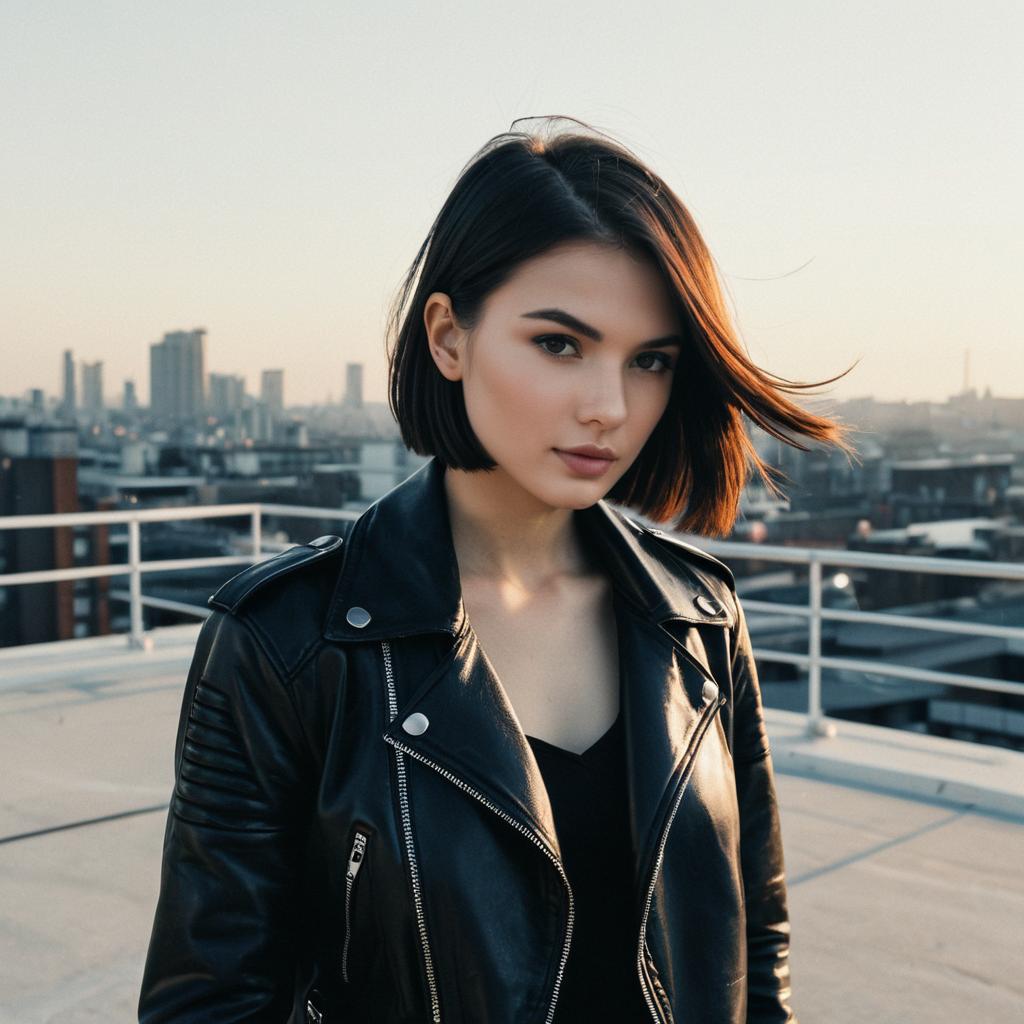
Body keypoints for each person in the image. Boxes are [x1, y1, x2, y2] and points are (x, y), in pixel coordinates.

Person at [139, 115, 856, 1023]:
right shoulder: (288, 644)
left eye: (650, 361)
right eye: (560, 344)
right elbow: (209, 1003)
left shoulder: (700, 618)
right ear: (448, 336)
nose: (609, 406)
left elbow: (757, 945)